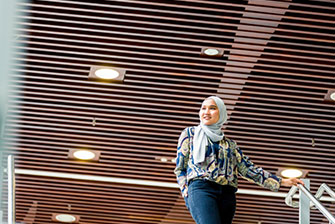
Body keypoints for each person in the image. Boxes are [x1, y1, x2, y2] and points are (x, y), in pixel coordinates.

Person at [174, 96, 304, 224]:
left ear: (222, 113)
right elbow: (180, 167)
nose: (206, 112)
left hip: (227, 194)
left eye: (212, 108)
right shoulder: (190, 134)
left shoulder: (230, 145)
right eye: (203, 108)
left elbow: (248, 169)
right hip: (201, 188)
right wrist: (185, 190)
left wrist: (282, 181)